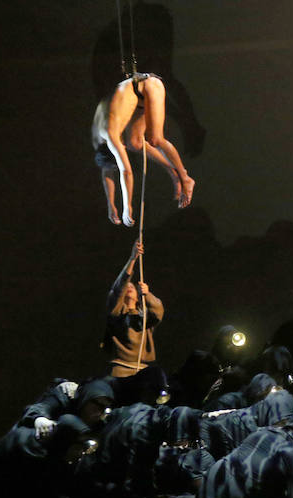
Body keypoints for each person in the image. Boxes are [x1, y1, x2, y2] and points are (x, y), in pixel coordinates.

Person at [92, 72, 196, 226]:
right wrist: (111, 204)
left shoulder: (110, 134)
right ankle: (173, 172)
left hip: (148, 85)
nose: (123, 147)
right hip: (136, 95)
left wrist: (127, 207)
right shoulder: (97, 140)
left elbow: (126, 171)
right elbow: (106, 171)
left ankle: (185, 177)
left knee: (156, 139)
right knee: (134, 144)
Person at [103, 240, 164, 378]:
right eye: (127, 287)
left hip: (143, 370)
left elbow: (158, 312)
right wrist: (132, 259)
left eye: (133, 287)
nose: (129, 287)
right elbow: (118, 288)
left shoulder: (145, 318)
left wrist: (147, 294)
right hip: (120, 369)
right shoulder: (117, 314)